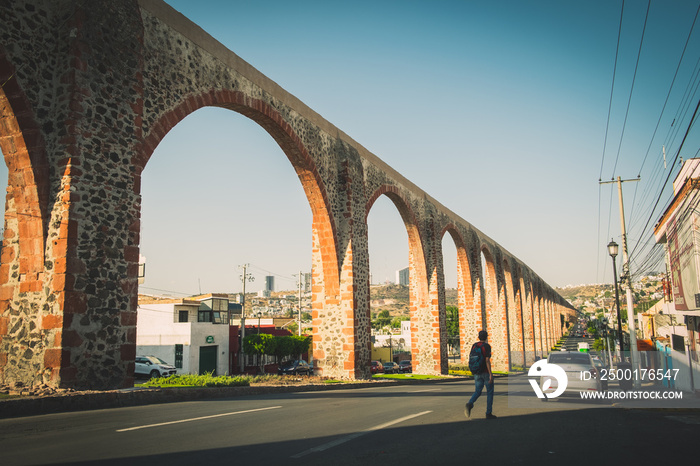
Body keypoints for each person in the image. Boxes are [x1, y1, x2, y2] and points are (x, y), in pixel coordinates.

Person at [465, 330, 497, 419]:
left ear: (478, 337)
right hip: (485, 372)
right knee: (490, 392)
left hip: (477, 372)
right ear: (486, 337)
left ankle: (470, 403)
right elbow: (487, 360)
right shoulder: (487, 346)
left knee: (478, 391)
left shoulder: (474, 345)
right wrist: (491, 374)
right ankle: (488, 413)